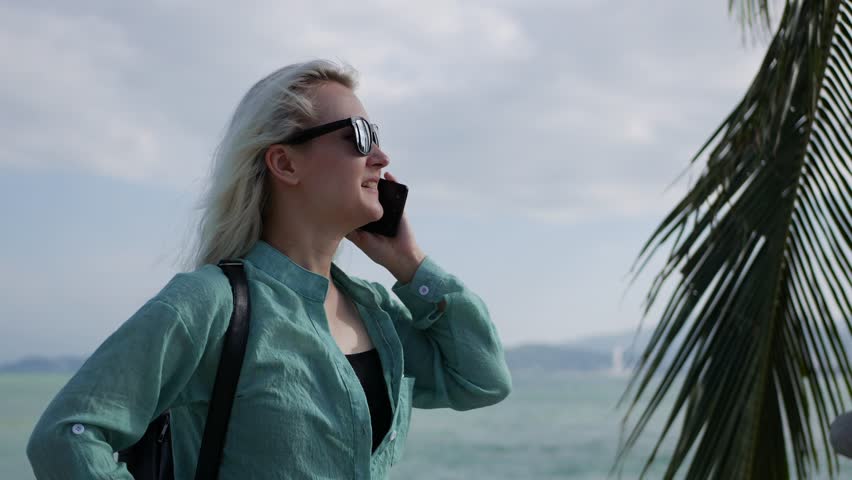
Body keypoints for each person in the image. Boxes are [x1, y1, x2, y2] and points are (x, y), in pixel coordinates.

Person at [25, 59, 512, 479]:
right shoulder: (212, 302)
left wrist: (409, 265)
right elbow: (68, 434)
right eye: (361, 137)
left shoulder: (375, 311)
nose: (381, 159)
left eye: (378, 138)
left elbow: (481, 380)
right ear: (284, 162)